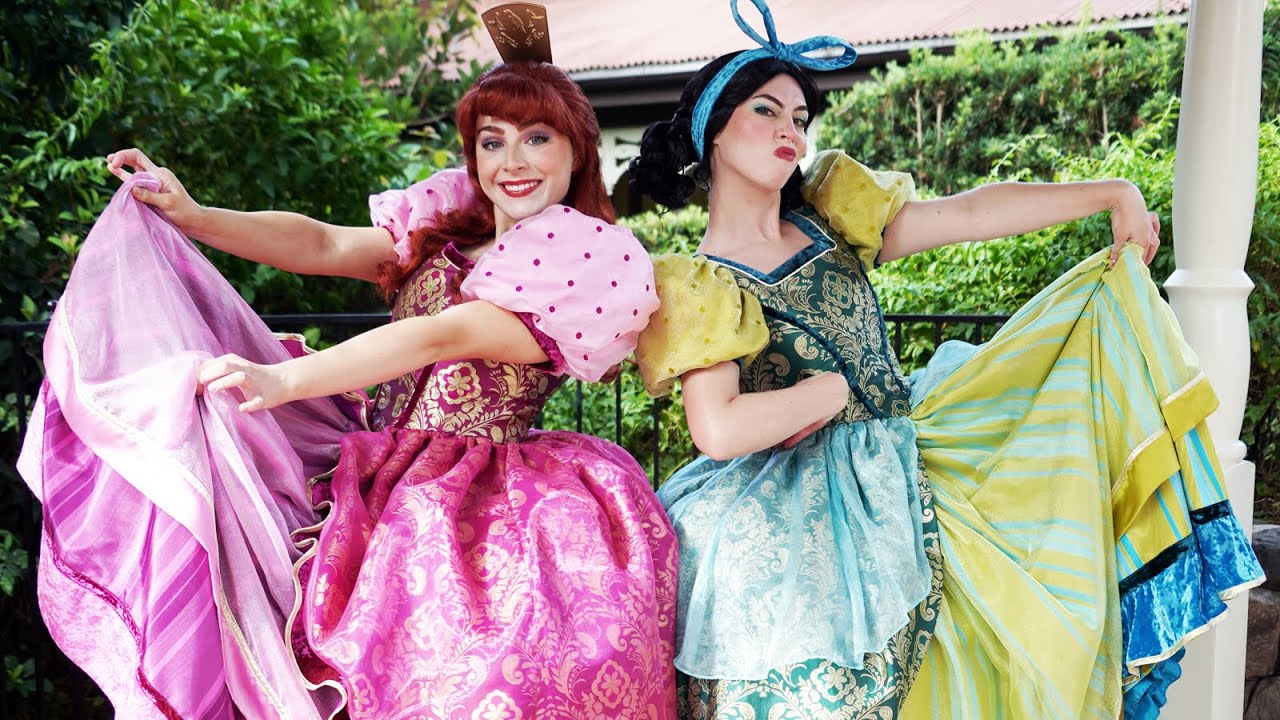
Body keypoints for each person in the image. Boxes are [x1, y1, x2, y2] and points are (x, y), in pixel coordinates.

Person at [20, 7, 677, 718]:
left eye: (537, 138)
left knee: (457, 679)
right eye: (493, 142)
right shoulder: (444, 233)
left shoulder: (578, 260)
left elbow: (441, 338)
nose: (512, 162)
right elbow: (326, 246)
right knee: (208, 442)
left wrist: (285, 378)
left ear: (578, 150)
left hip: (479, 499)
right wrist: (196, 215)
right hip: (373, 464)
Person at [626, 1, 1263, 718]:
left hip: (910, 463)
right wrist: (830, 395)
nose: (789, 131)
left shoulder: (831, 216)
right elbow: (719, 431)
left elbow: (969, 213)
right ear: (713, 131)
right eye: (766, 112)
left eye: (800, 119)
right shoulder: (698, 282)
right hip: (793, 517)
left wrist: (1110, 193)